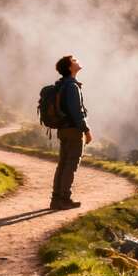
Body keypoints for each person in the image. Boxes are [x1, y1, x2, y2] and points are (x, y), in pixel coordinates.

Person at [50, 55, 91, 210]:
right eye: (74, 60)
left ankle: (56, 199)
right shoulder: (72, 86)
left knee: (63, 164)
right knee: (71, 164)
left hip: (63, 129)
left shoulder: (62, 85)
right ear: (69, 67)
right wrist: (86, 130)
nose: (77, 61)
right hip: (73, 130)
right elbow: (77, 112)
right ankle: (64, 199)